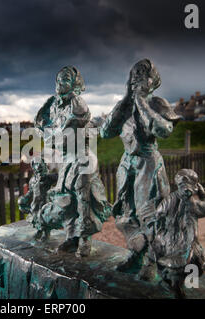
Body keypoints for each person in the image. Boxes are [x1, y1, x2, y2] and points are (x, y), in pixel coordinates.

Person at [100, 59, 182, 276]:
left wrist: (142, 103)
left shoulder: (157, 103)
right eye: (134, 74)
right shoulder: (124, 106)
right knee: (127, 213)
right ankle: (136, 254)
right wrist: (128, 100)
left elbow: (163, 130)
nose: (137, 78)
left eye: (143, 74)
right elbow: (106, 132)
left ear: (153, 80)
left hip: (148, 163)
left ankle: (152, 262)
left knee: (151, 215)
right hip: (127, 164)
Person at [34, 66, 111, 257]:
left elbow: (63, 135)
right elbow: (43, 129)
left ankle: (85, 239)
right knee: (66, 199)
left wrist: (52, 136)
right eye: (59, 80)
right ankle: (71, 237)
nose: (61, 84)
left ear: (75, 84)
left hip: (81, 158)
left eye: (66, 80)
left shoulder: (77, 103)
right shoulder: (54, 105)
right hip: (67, 159)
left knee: (83, 199)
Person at [144, 169, 205, 297]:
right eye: (182, 186)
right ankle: (174, 285)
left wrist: (202, 192)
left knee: (195, 268)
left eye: (189, 187)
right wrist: (158, 237)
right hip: (171, 241)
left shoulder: (192, 204)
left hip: (188, 243)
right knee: (177, 267)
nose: (185, 190)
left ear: (194, 187)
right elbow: (157, 217)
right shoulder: (170, 201)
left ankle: (177, 283)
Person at [18, 157, 56, 241]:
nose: (38, 166)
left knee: (45, 218)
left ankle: (46, 234)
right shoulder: (33, 180)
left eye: (40, 164)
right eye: (35, 164)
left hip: (46, 202)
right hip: (36, 203)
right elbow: (31, 192)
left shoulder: (49, 178)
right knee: (36, 217)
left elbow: (59, 182)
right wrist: (24, 198)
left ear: (44, 165)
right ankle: (39, 230)